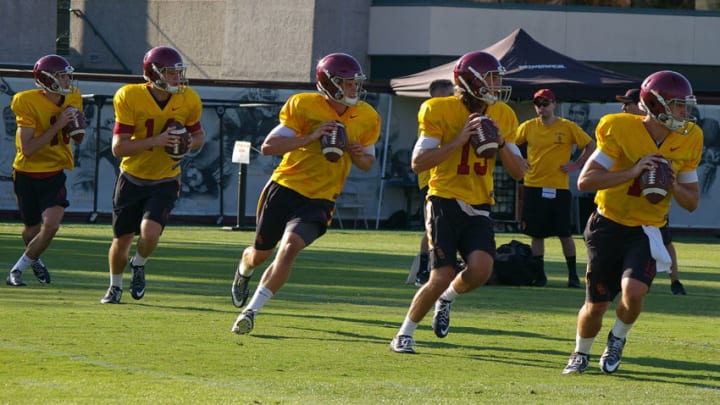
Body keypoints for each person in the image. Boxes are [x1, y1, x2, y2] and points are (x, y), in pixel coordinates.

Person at [230, 53, 381, 334]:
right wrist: (311, 137)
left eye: (355, 83)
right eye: (347, 84)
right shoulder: (304, 104)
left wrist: (357, 152)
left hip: (321, 197)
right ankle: (244, 267)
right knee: (260, 255)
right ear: (330, 83)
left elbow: (367, 163)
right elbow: (268, 146)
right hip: (285, 188)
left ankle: (252, 311)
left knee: (289, 250)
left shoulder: (367, 115)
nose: (353, 89)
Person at [562, 70, 702, 375]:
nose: (684, 111)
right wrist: (634, 171)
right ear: (656, 103)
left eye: (684, 105)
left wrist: (673, 182)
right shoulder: (619, 128)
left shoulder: (689, 137)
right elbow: (586, 181)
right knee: (597, 304)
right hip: (608, 224)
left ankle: (617, 340)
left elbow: (691, 203)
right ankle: (580, 352)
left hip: (648, 229)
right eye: (678, 105)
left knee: (634, 291)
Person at [389, 51, 528, 354]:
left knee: (481, 270)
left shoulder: (503, 114)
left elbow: (520, 173)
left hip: (479, 202)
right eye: (491, 78)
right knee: (440, 274)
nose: (497, 84)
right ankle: (404, 333)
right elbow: (418, 162)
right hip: (444, 198)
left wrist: (502, 142)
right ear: (471, 81)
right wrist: (458, 140)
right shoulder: (439, 109)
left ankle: (446, 299)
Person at [100, 46, 205, 304]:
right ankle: (115, 287)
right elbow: (118, 147)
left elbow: (199, 136)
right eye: (171, 73)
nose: (177, 78)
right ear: (154, 73)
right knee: (122, 239)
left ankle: (139, 264)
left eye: (178, 73)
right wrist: (158, 140)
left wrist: (187, 143)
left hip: (166, 178)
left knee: (149, 233)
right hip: (133, 176)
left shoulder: (188, 98)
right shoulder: (129, 96)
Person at [5, 54, 84, 286]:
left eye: (68, 75)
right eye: (62, 76)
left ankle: (16, 270)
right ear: (48, 79)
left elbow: (77, 138)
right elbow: (28, 149)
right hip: (26, 172)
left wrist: (76, 128)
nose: (68, 80)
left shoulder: (73, 97)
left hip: (54, 172)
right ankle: (34, 260)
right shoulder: (26, 101)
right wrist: (58, 125)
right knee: (31, 229)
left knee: (51, 225)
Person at [514, 89, 595, 288]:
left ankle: (573, 276)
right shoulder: (528, 127)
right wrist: (520, 160)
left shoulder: (567, 127)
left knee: (564, 234)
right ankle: (540, 275)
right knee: (536, 234)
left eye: (545, 103)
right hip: (533, 185)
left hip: (558, 187)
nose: (541, 108)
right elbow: (510, 145)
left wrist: (576, 164)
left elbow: (591, 145)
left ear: (554, 104)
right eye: (538, 104)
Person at [616, 88, 687, 295]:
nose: (624, 108)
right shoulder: (621, 129)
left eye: (628, 103)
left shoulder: (666, 134)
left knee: (665, 239)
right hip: (621, 205)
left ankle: (675, 280)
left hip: (651, 206)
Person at [412, 78, 455, 287]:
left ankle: (446, 267)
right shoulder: (432, 114)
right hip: (431, 178)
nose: (453, 99)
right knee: (431, 226)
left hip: (449, 176)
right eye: (448, 95)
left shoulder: (450, 114)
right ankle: (423, 270)